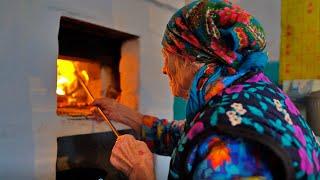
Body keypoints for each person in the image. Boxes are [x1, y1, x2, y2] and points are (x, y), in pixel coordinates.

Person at [92, 0, 320, 179]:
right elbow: (186, 134)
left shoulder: (228, 148)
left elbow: (208, 138)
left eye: (167, 57)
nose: (163, 69)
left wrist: (140, 172)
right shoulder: (252, 92)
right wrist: (125, 115)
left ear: (191, 59)